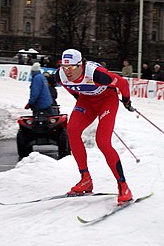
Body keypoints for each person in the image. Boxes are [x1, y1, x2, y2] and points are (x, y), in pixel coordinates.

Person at [55, 49, 135, 205]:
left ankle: (123, 186)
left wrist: (126, 101)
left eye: (71, 67)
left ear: (81, 65)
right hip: (87, 102)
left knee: (103, 142)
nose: (67, 71)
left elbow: (123, 83)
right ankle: (85, 179)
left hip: (107, 101)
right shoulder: (60, 75)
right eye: (64, 67)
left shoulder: (96, 74)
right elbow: (67, 85)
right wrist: (78, 96)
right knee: (72, 130)